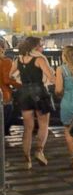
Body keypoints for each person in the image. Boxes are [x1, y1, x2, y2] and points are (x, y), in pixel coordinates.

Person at [10, 37, 55, 168]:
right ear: (35, 47)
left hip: (24, 93)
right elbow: (50, 77)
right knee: (43, 125)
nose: (42, 48)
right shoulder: (39, 59)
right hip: (40, 92)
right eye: (41, 45)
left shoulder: (18, 60)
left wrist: (20, 79)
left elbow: (10, 75)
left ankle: (27, 160)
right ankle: (39, 151)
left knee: (28, 128)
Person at [1, 40, 19, 138]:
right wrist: (20, 85)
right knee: (4, 123)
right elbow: (7, 80)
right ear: (3, 48)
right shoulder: (6, 61)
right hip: (4, 96)